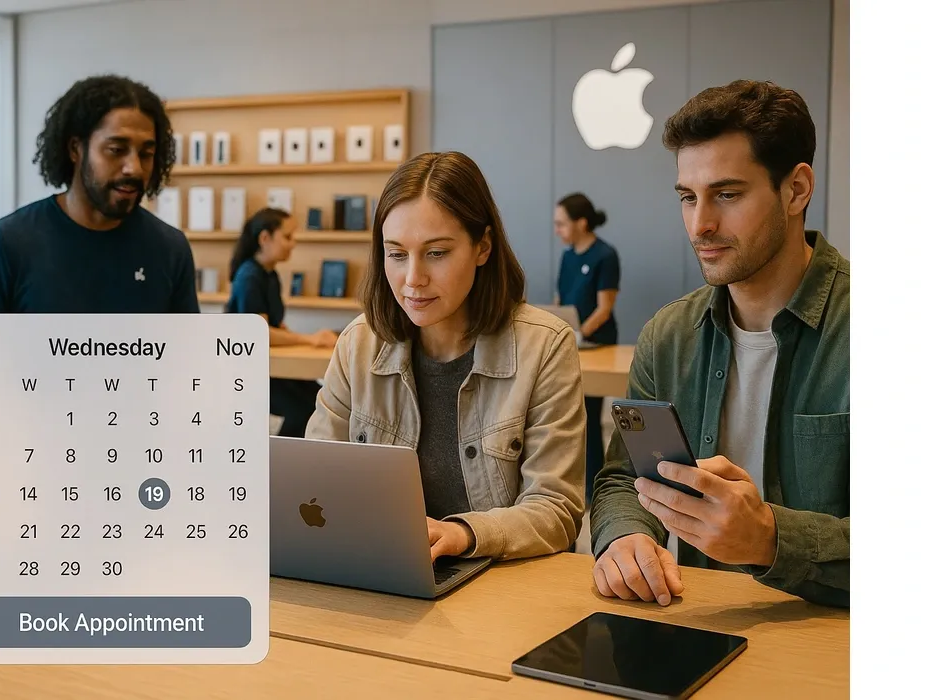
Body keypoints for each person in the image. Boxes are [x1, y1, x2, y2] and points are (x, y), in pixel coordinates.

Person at [590, 79, 849, 609]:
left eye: (727, 194)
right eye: (688, 197)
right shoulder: (666, 337)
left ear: (796, 190)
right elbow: (624, 479)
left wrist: (771, 540)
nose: (700, 224)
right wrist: (625, 536)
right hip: (698, 623)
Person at [306, 151, 586, 563]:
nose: (413, 279)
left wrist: (464, 534)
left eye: (436, 253)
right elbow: (313, 480)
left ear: (483, 247)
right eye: (397, 254)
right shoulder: (357, 344)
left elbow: (556, 510)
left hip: (496, 587)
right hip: (378, 574)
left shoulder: (544, 346)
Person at [0, 74, 198, 323]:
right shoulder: (6, 244)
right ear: (75, 149)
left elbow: (186, 355)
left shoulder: (170, 249)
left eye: (146, 153)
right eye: (116, 150)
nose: (134, 168)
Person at [225, 208, 337, 437]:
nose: (293, 243)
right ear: (264, 238)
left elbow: (276, 326)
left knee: (321, 399)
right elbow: (261, 332)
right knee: (302, 410)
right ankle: (284, 465)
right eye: (287, 237)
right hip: (245, 373)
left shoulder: (270, 275)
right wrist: (311, 339)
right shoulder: (249, 277)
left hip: (266, 366)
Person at [554, 192, 621, 506]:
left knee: (591, 418)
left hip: (596, 344)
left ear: (581, 223)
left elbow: (604, 309)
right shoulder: (568, 255)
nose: (557, 229)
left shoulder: (606, 255)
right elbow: (560, 299)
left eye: (561, 223)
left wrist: (578, 334)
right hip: (570, 341)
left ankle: (595, 489)